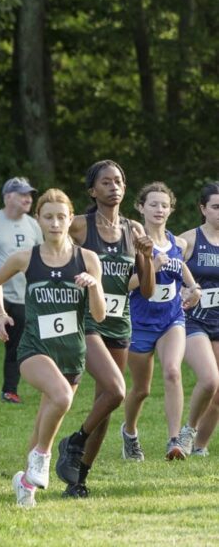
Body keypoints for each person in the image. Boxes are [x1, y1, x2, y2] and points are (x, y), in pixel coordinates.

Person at [0, 188, 105, 508]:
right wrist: (0, 315)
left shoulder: (88, 259)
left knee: (46, 419)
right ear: (38, 219)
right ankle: (41, 457)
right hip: (34, 348)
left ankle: (26, 483)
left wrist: (93, 286)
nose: (55, 223)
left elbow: (98, 314)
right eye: (48, 217)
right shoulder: (27, 257)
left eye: (61, 217)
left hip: (71, 353)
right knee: (62, 397)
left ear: (71, 219)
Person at [54, 160, 154, 497]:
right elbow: (52, 253)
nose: (114, 187)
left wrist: (148, 257)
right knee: (116, 391)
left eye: (119, 182)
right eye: (106, 182)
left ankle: (79, 480)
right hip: (87, 320)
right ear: (92, 190)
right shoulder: (80, 226)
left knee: (106, 402)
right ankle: (73, 442)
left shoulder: (136, 230)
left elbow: (147, 289)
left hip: (119, 323)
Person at [121, 182, 201, 461]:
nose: (159, 209)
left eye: (164, 205)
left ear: (171, 210)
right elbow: (127, 285)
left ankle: (173, 441)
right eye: (153, 204)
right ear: (141, 208)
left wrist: (194, 288)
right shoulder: (132, 244)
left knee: (172, 372)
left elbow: (182, 268)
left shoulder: (177, 242)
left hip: (172, 319)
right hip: (141, 322)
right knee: (141, 389)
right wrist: (151, 267)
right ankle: (129, 432)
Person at [0, 177, 43, 405]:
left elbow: (42, 255)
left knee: (17, 346)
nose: (28, 199)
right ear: (7, 197)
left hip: (24, 296)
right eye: (22, 194)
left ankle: (10, 390)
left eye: (29, 194)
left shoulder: (34, 225)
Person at [179, 182, 219, 456]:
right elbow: (165, 273)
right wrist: (182, 289)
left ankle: (200, 447)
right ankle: (187, 432)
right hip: (194, 321)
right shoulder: (189, 240)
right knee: (209, 379)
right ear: (203, 208)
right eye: (216, 207)